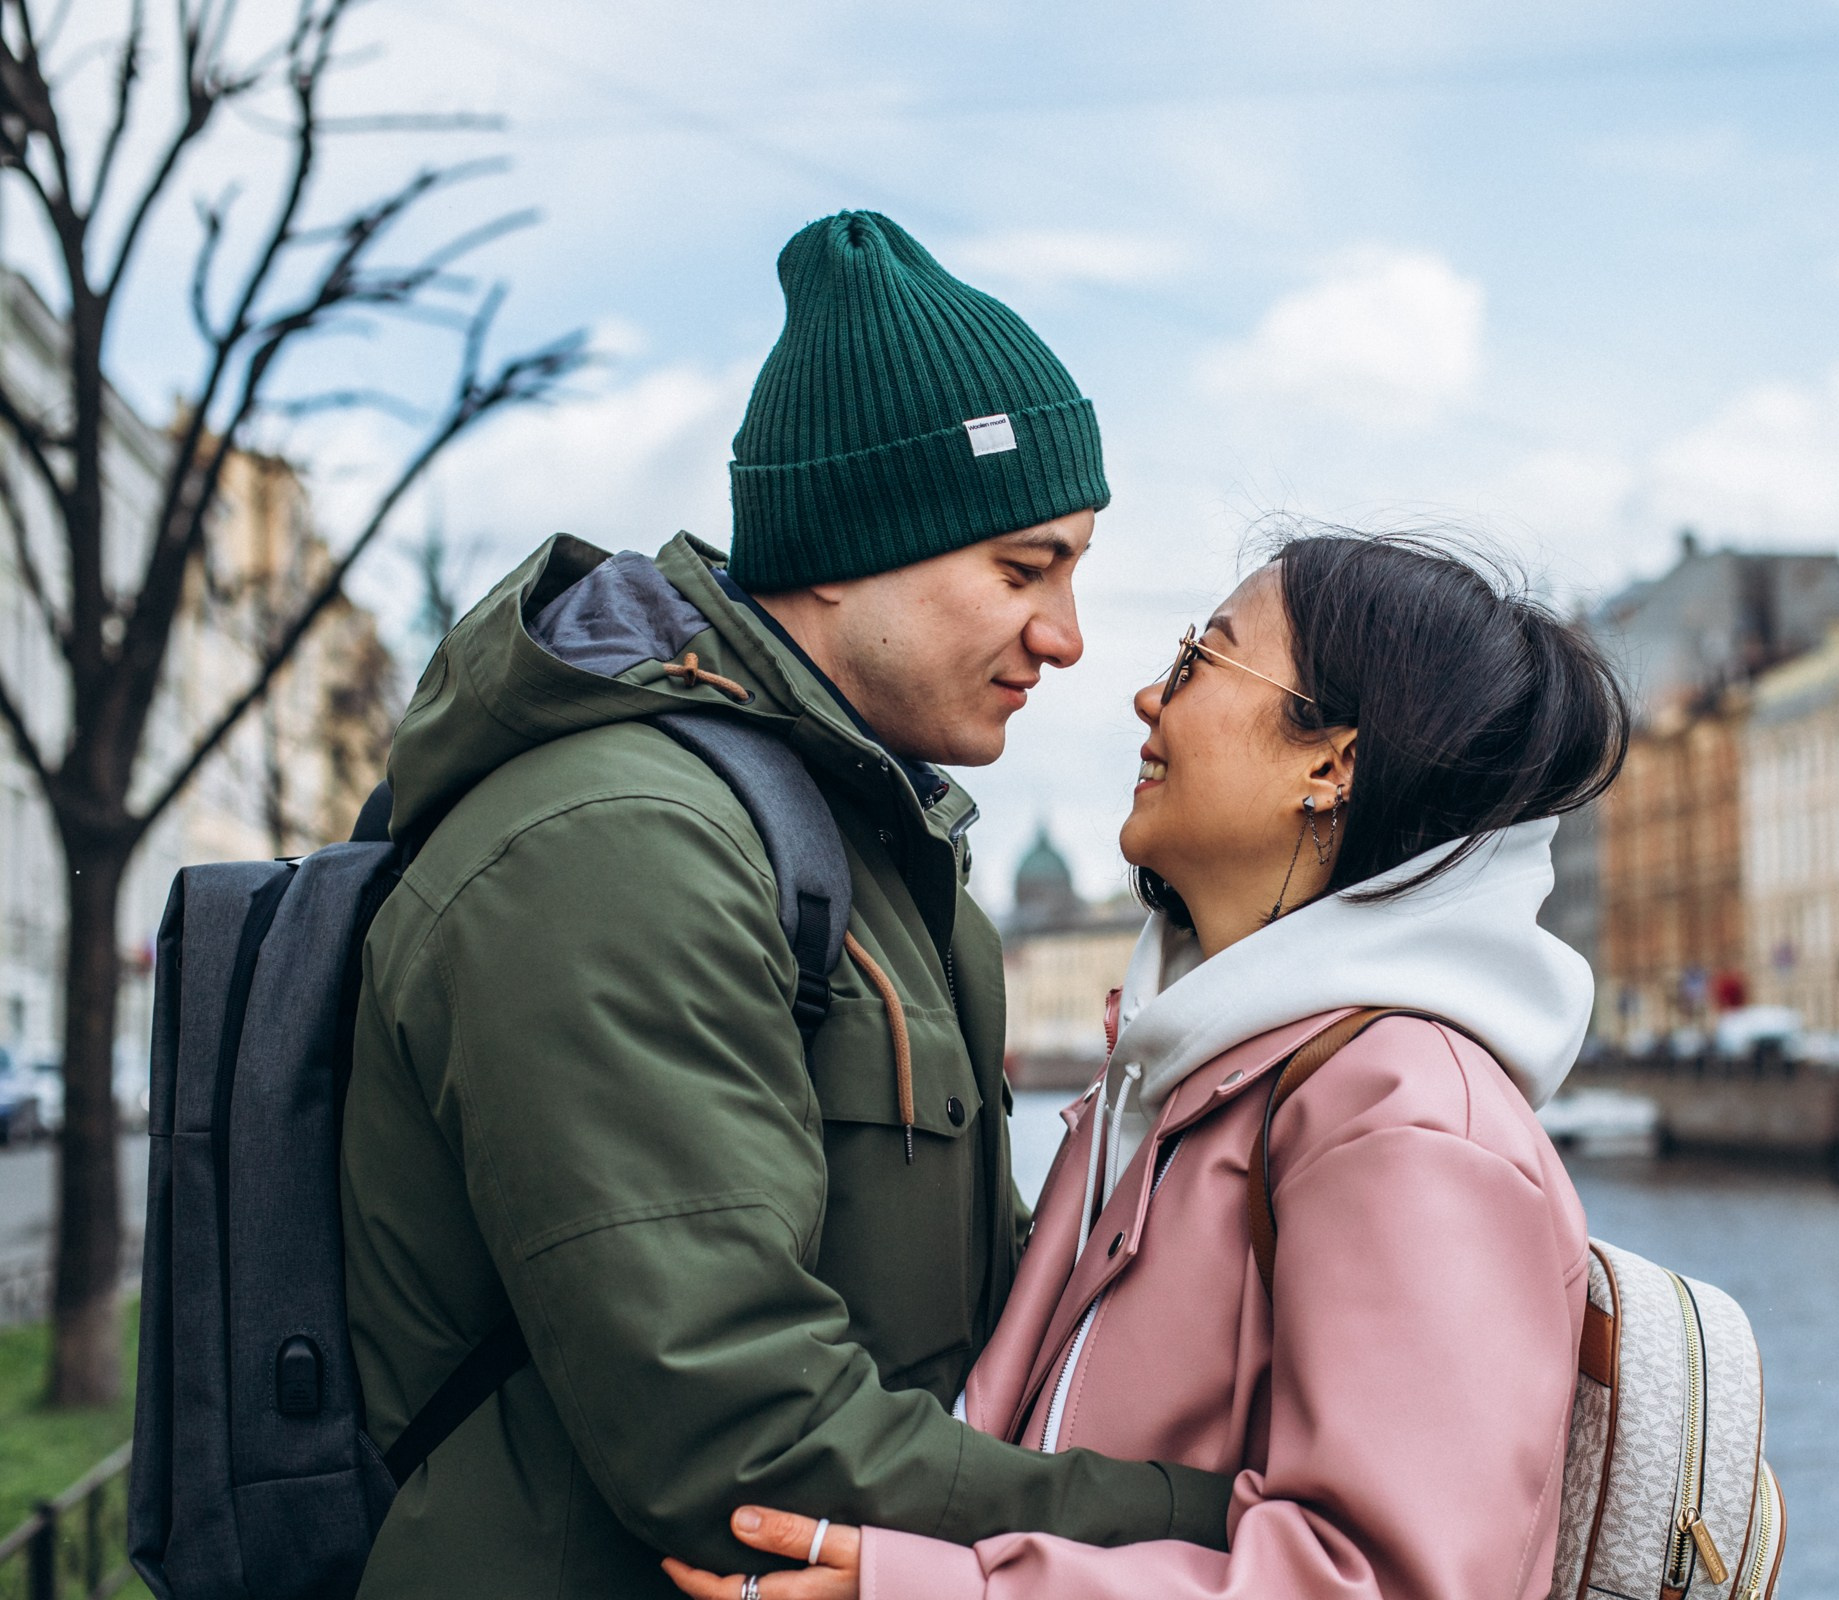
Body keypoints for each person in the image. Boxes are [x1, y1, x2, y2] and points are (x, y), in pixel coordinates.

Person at [339, 212, 1234, 1597]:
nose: (1065, 637)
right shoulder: (622, 847)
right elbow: (745, 1442)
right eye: (1024, 568)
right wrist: (1225, 1520)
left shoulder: (864, 850)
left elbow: (985, 1323)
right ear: (844, 550)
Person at [667, 530, 1629, 1600]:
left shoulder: (1404, 1116)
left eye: (1197, 660)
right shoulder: (1194, 1067)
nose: (1143, 697)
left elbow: (1388, 1583)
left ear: (1332, 763)